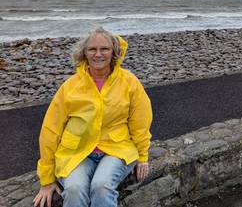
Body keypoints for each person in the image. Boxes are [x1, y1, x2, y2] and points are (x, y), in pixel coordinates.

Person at [33, 27, 153, 207]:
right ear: (84, 53)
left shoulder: (129, 82)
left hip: (116, 149)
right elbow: (51, 131)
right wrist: (47, 179)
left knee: (101, 186)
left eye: (104, 49)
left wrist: (142, 156)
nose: (98, 54)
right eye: (92, 49)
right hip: (77, 152)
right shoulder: (70, 86)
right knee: (73, 189)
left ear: (113, 52)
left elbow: (140, 121)